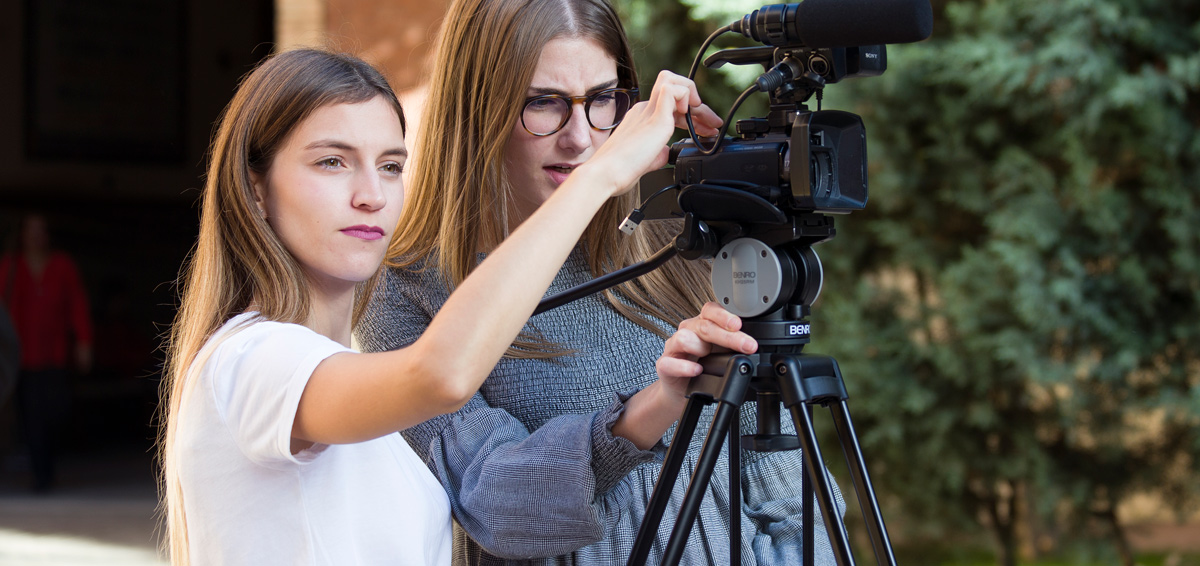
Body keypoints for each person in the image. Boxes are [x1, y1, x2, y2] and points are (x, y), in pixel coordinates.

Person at [159, 46, 732, 565]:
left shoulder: (351, 384)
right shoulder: (250, 360)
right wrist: (600, 174)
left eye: (390, 166)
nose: (371, 195)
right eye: (332, 161)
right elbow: (440, 374)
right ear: (256, 188)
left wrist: (665, 397)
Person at [356, 0, 847, 564]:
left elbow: (789, 500)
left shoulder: (676, 248)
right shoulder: (407, 289)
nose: (580, 139)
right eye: (542, 102)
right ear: (475, 110)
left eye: (602, 100)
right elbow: (498, 505)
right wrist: (651, 408)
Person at [0, 212, 93, 493]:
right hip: (20, 357)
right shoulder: (9, 266)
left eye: (41, 230)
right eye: (31, 230)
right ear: (23, 234)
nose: (36, 236)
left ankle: (48, 467)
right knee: (30, 417)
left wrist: (84, 341)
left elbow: (77, 303)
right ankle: (41, 475)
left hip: (55, 354)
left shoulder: (62, 265)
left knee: (56, 411)